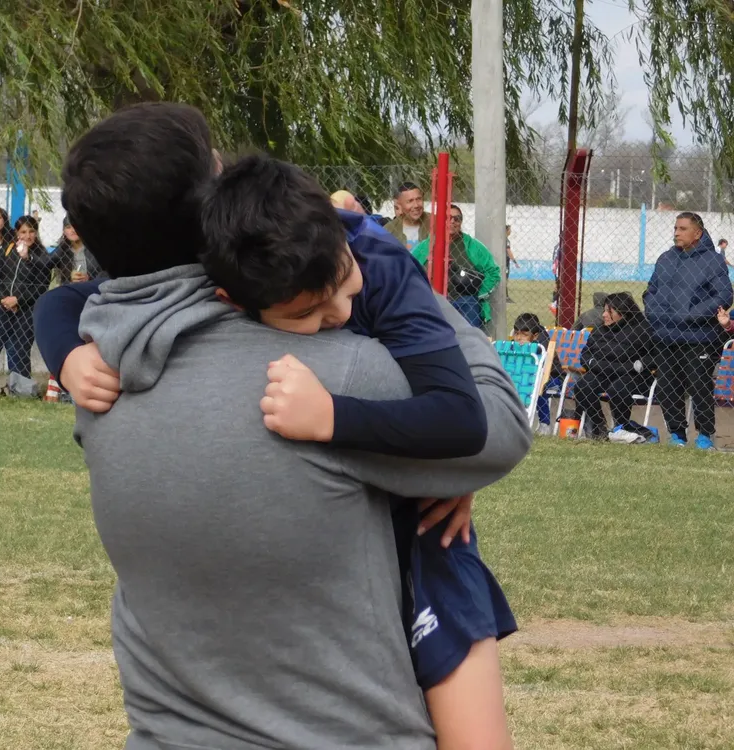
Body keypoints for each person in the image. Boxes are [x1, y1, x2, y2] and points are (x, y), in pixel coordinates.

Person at [35, 102, 531, 749]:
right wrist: (401, 285)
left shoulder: (102, 379)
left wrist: (63, 348)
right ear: (207, 215)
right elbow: (495, 428)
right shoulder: (336, 372)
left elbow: (77, 302)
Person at [643, 212, 733, 449]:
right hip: (665, 335)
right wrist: (655, 313)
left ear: (697, 233)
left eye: (682, 229)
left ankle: (705, 435)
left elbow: (724, 295)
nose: (676, 233)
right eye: (675, 228)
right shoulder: (665, 258)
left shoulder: (713, 261)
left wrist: (691, 315)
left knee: (699, 385)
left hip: (699, 337)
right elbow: (651, 291)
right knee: (667, 386)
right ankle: (677, 435)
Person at [566, 293, 655, 440]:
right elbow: (585, 355)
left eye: (609, 311)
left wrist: (637, 365)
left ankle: (622, 427)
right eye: (604, 310)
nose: (604, 315)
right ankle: (599, 427)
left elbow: (653, 356)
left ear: (623, 313)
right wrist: (594, 363)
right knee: (583, 386)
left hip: (631, 375)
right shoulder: (599, 330)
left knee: (617, 389)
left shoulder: (642, 330)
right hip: (603, 372)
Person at [0, 214, 51, 393]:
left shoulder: (41, 255)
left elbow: (41, 286)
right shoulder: (9, 249)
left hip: (26, 310)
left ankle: (21, 392)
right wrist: (3, 298)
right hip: (4, 307)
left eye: (31, 231)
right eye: (23, 232)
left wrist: (18, 299)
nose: (27, 236)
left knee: (19, 352)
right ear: (17, 233)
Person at [411, 204, 501, 330]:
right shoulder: (426, 245)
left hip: (464, 301)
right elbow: (409, 268)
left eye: (457, 218)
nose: (452, 221)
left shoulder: (472, 245)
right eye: (448, 217)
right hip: (432, 300)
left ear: (461, 222)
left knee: (470, 335)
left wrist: (479, 294)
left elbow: (493, 272)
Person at [512, 312, 562, 432]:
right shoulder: (515, 346)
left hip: (551, 379)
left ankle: (544, 423)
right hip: (525, 377)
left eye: (524, 335)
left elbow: (545, 369)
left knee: (537, 386)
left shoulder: (542, 346)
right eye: (516, 333)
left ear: (535, 336)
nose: (519, 338)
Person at [49, 215, 107, 286]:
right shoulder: (62, 251)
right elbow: (45, 264)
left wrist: (89, 279)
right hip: (70, 289)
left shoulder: (95, 248)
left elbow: (106, 273)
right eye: (68, 227)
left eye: (76, 226)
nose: (73, 230)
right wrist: (70, 279)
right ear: (64, 231)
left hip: (94, 288)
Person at [384, 182, 431, 251]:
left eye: (419, 199)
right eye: (410, 201)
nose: (416, 205)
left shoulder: (435, 221)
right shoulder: (389, 230)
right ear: (400, 205)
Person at [505, 224, 519, 303]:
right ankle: (505, 297)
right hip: (505, 263)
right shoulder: (506, 240)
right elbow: (508, 251)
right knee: (505, 279)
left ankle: (505, 296)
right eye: (510, 230)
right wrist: (514, 261)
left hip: (502, 261)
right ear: (506, 230)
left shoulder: (501, 239)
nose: (511, 231)